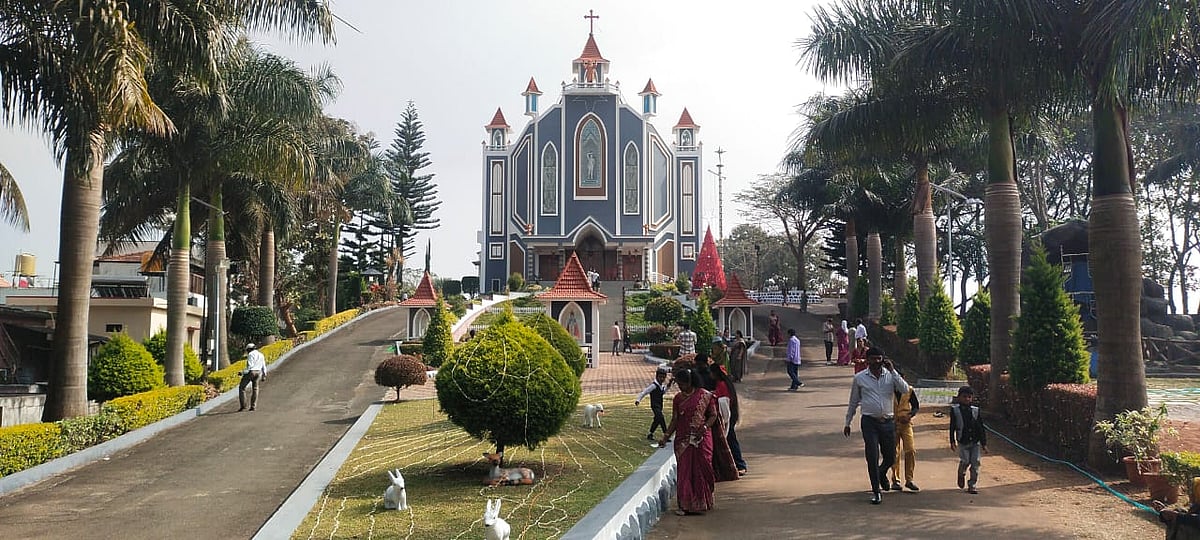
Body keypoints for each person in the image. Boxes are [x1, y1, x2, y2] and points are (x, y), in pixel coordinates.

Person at [659, 367, 738, 515]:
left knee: (704, 468)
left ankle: (704, 501)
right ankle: (685, 505)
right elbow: (675, 419)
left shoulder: (705, 396)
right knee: (685, 472)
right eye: (679, 384)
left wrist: (704, 426)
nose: (682, 387)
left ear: (691, 381)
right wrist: (666, 436)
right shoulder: (678, 398)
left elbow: (713, 415)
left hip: (702, 438)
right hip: (683, 440)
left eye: (684, 384)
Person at [844, 347, 910, 504]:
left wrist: (893, 371)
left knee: (891, 457)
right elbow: (853, 401)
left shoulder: (890, 376)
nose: (876, 362)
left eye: (879, 358)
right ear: (867, 360)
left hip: (887, 422)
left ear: (883, 359)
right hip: (869, 422)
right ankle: (876, 491)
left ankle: (881, 474)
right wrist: (848, 422)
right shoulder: (860, 378)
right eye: (873, 359)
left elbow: (905, 389)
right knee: (872, 456)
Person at [949, 386, 988, 494]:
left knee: (975, 462)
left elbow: (981, 427)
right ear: (959, 397)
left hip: (975, 441)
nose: (966, 399)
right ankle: (961, 473)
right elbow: (952, 427)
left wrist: (984, 443)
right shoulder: (955, 410)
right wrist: (952, 441)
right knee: (965, 461)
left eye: (969, 397)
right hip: (963, 441)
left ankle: (972, 485)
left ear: (972, 398)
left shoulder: (975, 411)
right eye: (964, 396)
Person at [711, 365, 748, 476]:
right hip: (728, 415)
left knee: (731, 440)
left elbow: (723, 401)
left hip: (727, 416)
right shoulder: (724, 384)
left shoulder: (722, 385)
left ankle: (741, 465)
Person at [890, 374, 921, 492]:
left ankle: (909, 479)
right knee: (894, 452)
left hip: (906, 423)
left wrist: (910, 415)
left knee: (910, 449)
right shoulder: (887, 391)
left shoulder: (909, 390)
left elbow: (916, 406)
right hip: (892, 424)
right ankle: (896, 480)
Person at [635, 366, 673, 441]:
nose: (662, 379)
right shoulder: (653, 386)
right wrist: (638, 400)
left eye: (663, 377)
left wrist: (669, 384)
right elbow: (644, 392)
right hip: (655, 405)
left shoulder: (661, 386)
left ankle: (650, 434)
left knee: (657, 419)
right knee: (661, 418)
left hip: (660, 405)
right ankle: (666, 434)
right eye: (660, 377)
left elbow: (663, 392)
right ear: (656, 376)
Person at [238, 343, 267, 412]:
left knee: (242, 388)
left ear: (249, 349)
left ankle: (243, 406)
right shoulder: (261, 354)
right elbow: (263, 365)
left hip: (251, 372)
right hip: (258, 372)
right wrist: (264, 375)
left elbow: (250, 366)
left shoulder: (250, 355)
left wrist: (242, 372)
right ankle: (253, 406)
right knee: (255, 389)